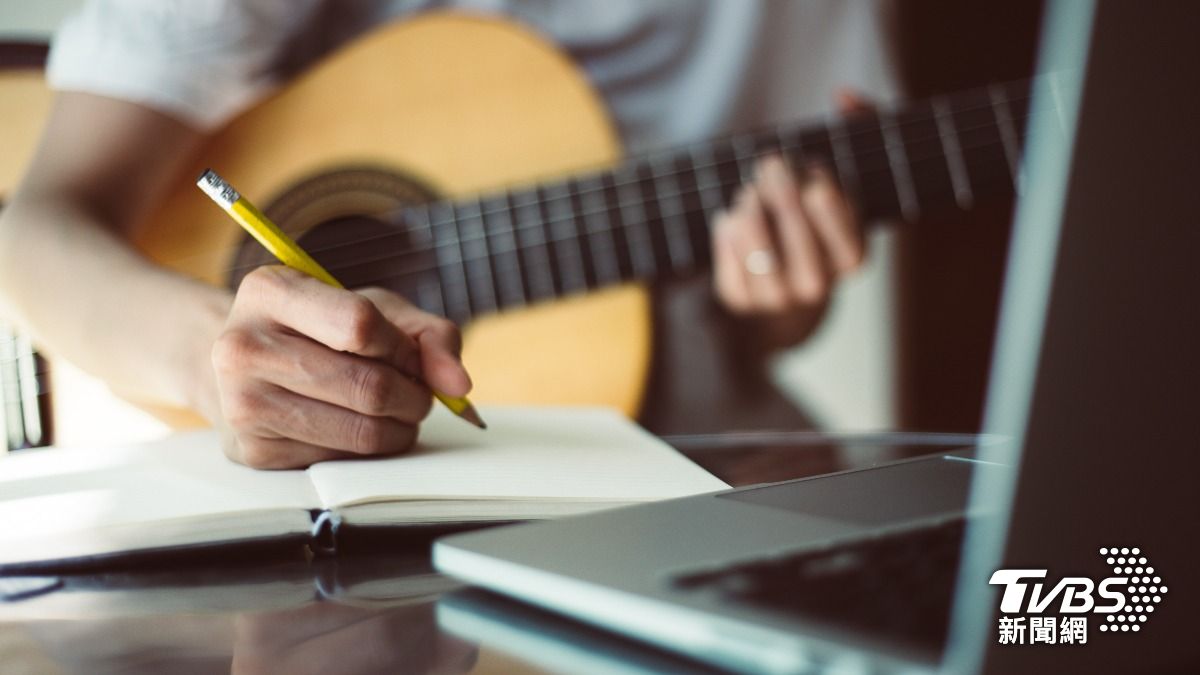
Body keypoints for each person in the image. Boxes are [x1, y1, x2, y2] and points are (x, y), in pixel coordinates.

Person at [0, 0, 896, 469]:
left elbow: (774, 311)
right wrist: (212, 361)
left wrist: (780, 293)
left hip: (676, 389)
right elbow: (35, 233)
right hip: (251, 470)